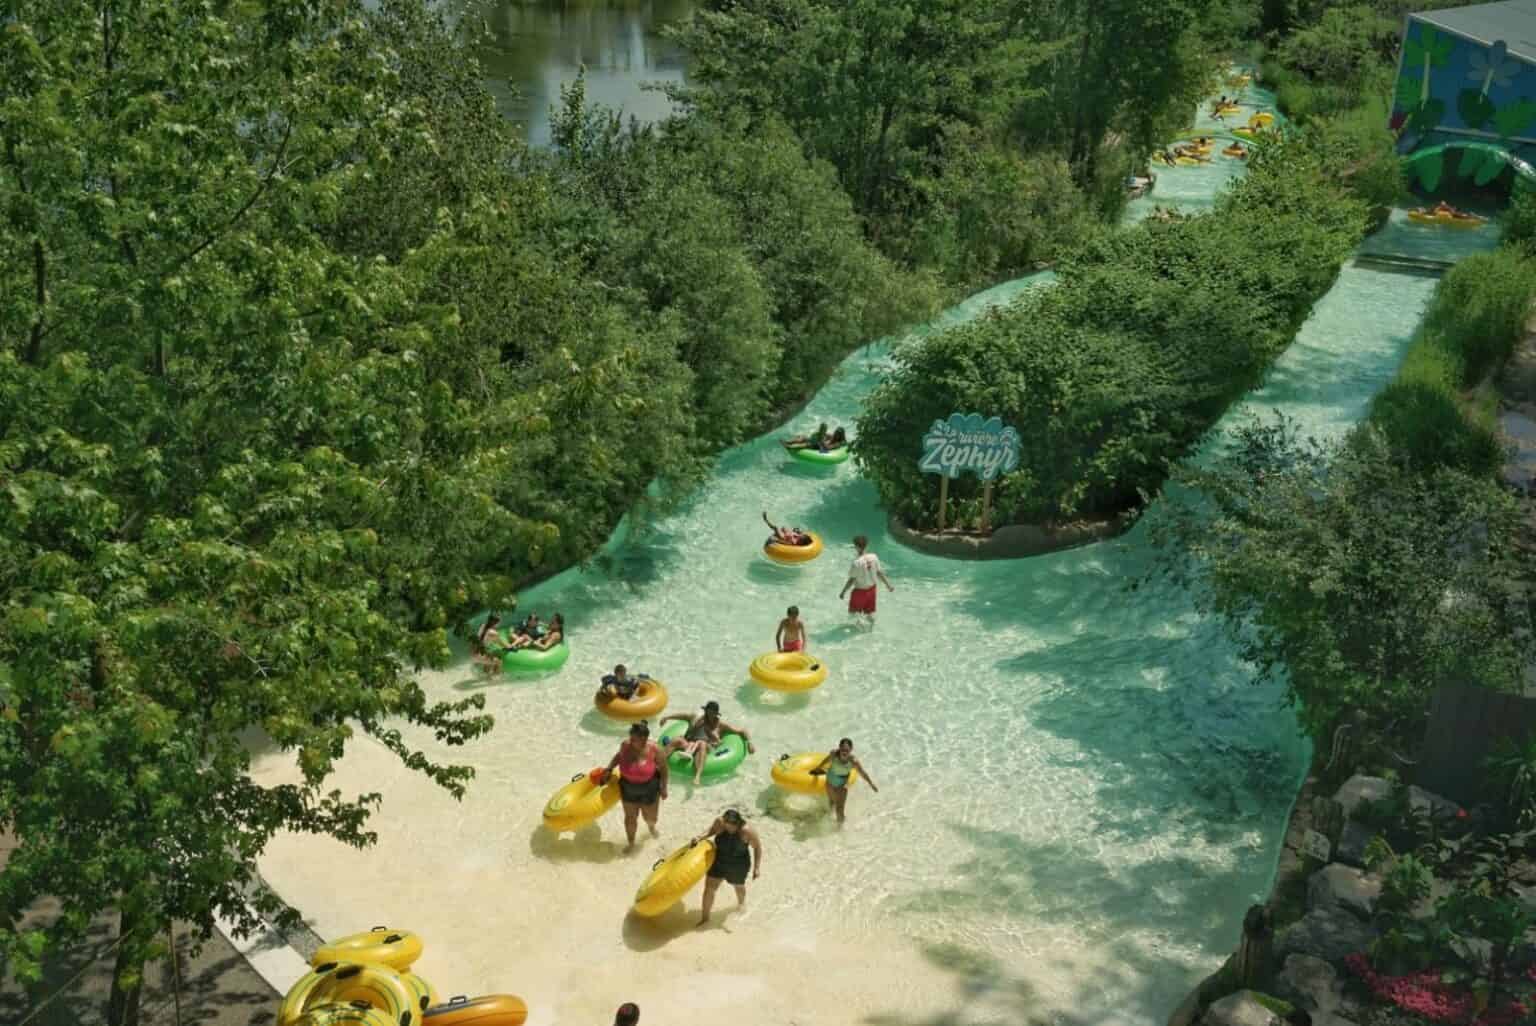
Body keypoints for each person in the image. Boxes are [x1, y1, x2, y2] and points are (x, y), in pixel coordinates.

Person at [605, 722, 668, 852]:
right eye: (631, 737)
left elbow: (664, 769)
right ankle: (631, 843)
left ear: (644, 739)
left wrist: (663, 787)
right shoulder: (625, 745)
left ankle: (651, 828)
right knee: (630, 817)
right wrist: (609, 768)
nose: (630, 740)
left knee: (650, 818)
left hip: (649, 788)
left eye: (634, 738)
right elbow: (619, 756)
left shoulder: (655, 749)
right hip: (628, 787)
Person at [659, 701, 756, 784]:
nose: (709, 715)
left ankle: (697, 776)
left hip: (706, 747)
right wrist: (666, 717)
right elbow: (681, 715)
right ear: (705, 711)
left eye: (712, 713)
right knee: (677, 739)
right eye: (708, 712)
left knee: (702, 743)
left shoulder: (720, 725)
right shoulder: (696, 718)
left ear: (716, 714)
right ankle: (657, 764)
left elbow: (742, 731)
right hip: (688, 745)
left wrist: (750, 743)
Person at [693, 809, 761, 927]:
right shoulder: (720, 822)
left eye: (731, 827)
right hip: (719, 860)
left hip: (738, 864)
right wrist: (699, 837)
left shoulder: (747, 831)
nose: (728, 828)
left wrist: (757, 868)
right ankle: (705, 918)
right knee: (709, 888)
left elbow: (757, 848)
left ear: (737, 824)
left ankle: (741, 905)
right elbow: (711, 830)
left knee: (738, 886)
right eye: (726, 825)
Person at [809, 738, 880, 824]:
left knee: (839, 809)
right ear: (839, 748)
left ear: (851, 750)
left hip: (842, 785)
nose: (844, 752)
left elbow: (862, 773)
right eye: (842, 749)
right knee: (831, 803)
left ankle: (839, 828)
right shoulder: (834, 754)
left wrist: (871, 784)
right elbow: (826, 761)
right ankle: (829, 819)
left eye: (847, 750)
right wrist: (817, 768)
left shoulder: (853, 761)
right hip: (830, 782)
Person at [840, 534, 893, 623]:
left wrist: (843, 592)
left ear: (856, 547)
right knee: (870, 613)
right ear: (867, 545)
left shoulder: (856, 563)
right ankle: (871, 628)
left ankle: (859, 627)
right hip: (872, 590)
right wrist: (888, 585)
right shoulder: (874, 557)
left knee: (853, 614)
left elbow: (851, 580)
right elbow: (879, 573)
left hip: (860, 592)